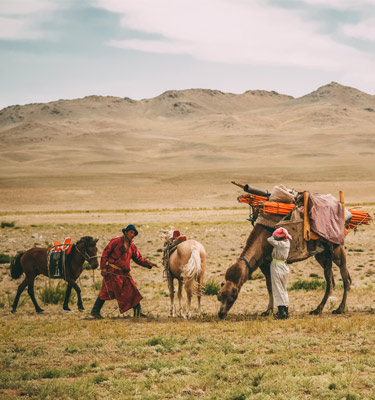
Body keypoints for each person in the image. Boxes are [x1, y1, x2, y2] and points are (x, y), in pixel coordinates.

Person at [91, 224, 157, 319]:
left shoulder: (132, 246)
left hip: (124, 273)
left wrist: (149, 264)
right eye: (131, 232)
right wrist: (103, 268)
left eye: (134, 233)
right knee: (106, 291)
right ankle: (95, 311)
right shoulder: (116, 241)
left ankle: (138, 312)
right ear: (125, 232)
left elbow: (138, 258)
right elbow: (105, 254)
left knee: (133, 290)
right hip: (112, 272)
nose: (132, 235)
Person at [267, 227, 292, 320]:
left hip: (277, 266)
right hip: (284, 266)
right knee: (283, 289)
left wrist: (277, 236)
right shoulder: (287, 243)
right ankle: (286, 310)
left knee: (277, 288)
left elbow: (269, 239)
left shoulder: (280, 244)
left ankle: (281, 312)